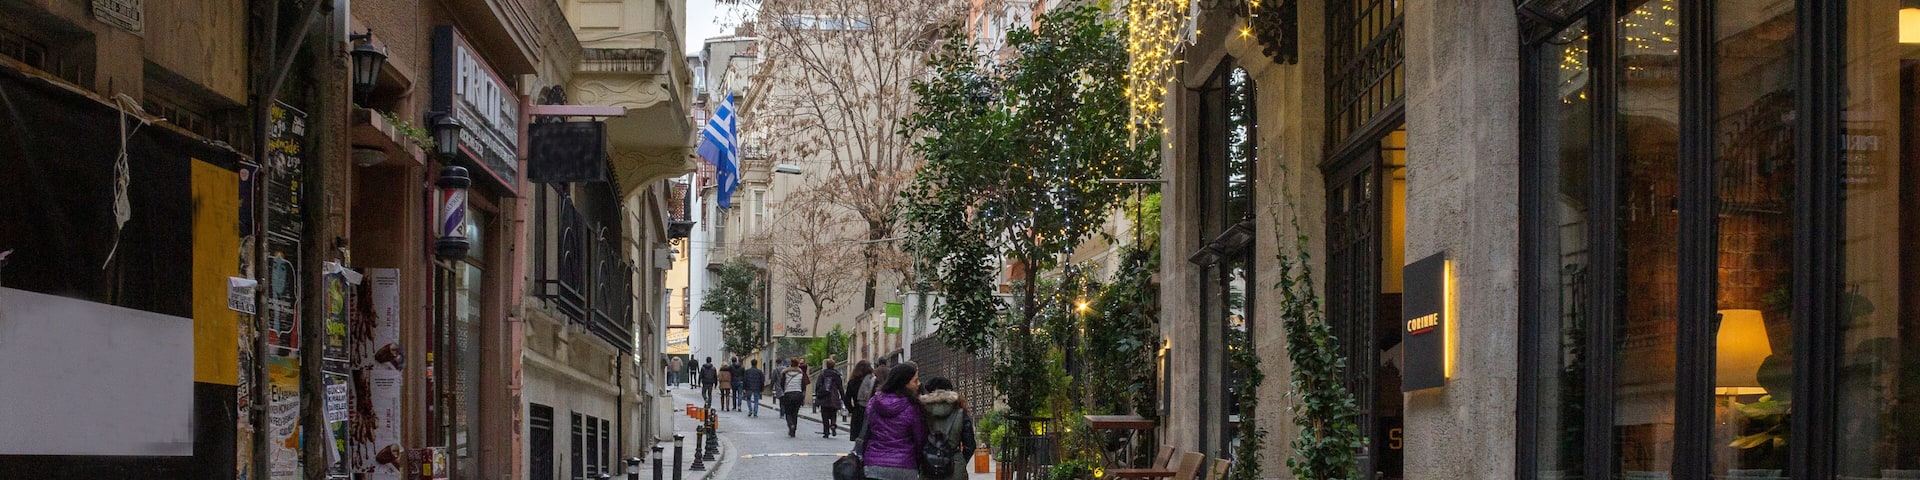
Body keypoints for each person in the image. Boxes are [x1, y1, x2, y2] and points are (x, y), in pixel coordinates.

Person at [858, 362, 925, 480]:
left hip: (874, 464)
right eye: (915, 380)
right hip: (904, 465)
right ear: (904, 383)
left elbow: (866, 431)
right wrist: (919, 462)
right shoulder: (913, 406)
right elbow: (919, 439)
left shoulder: (874, 402)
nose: (918, 384)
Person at [918, 377, 976, 480]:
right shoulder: (960, 412)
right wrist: (959, 461)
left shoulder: (922, 411)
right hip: (955, 466)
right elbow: (970, 445)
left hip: (929, 466)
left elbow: (917, 440)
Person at [777, 358, 809, 437]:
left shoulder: (785, 373)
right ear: (798, 364)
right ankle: (793, 430)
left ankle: (790, 425)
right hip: (798, 394)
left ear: (790, 364)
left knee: (788, 412)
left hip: (788, 394)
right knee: (795, 413)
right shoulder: (801, 374)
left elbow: (782, 383)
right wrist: (803, 396)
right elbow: (803, 386)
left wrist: (785, 389)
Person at [842, 360, 874, 440]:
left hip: (858, 411)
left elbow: (846, 398)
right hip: (871, 412)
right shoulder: (873, 381)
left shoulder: (853, 382)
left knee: (859, 437)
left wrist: (851, 410)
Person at [814, 359, 845, 438]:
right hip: (834, 397)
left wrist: (817, 395)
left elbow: (818, 385)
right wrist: (843, 397)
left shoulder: (822, 374)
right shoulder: (837, 375)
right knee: (833, 413)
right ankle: (833, 424)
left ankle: (826, 432)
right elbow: (840, 387)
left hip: (824, 397)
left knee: (825, 415)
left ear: (826, 365)